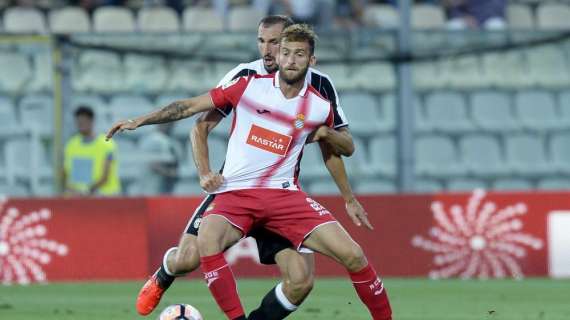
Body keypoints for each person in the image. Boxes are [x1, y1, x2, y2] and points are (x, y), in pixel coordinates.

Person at [107, 24, 392, 320]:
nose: (284, 57)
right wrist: (140, 120)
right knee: (193, 253)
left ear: (311, 60)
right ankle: (165, 273)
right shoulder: (247, 82)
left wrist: (330, 148)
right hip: (234, 188)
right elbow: (193, 112)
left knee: (314, 274)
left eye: (297, 53)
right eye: (279, 49)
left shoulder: (320, 99)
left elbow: (343, 146)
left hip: (284, 196)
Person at [64, 106, 121, 196]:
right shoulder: (71, 144)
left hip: (104, 196)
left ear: (92, 121)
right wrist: (74, 190)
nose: (81, 125)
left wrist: (86, 190)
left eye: (84, 122)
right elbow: (66, 173)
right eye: (78, 122)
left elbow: (105, 176)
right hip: (77, 197)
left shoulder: (106, 144)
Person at [137, 123, 182, 195]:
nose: (169, 125)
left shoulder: (172, 141)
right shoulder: (152, 140)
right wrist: (170, 173)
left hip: (166, 190)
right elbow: (153, 164)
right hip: (151, 189)